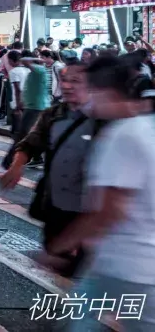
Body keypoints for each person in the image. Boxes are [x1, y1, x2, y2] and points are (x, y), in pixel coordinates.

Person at [38, 56, 155, 329]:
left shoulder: (123, 134)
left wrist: (59, 246)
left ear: (102, 92)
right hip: (114, 262)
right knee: (76, 320)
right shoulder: (145, 127)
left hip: (129, 266)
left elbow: (109, 211)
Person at [0, 60, 94, 277]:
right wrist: (16, 166)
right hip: (57, 204)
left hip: (89, 209)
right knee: (59, 262)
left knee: (87, 270)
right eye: (65, 80)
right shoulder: (53, 114)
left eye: (75, 81)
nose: (68, 85)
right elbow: (31, 142)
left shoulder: (103, 119)